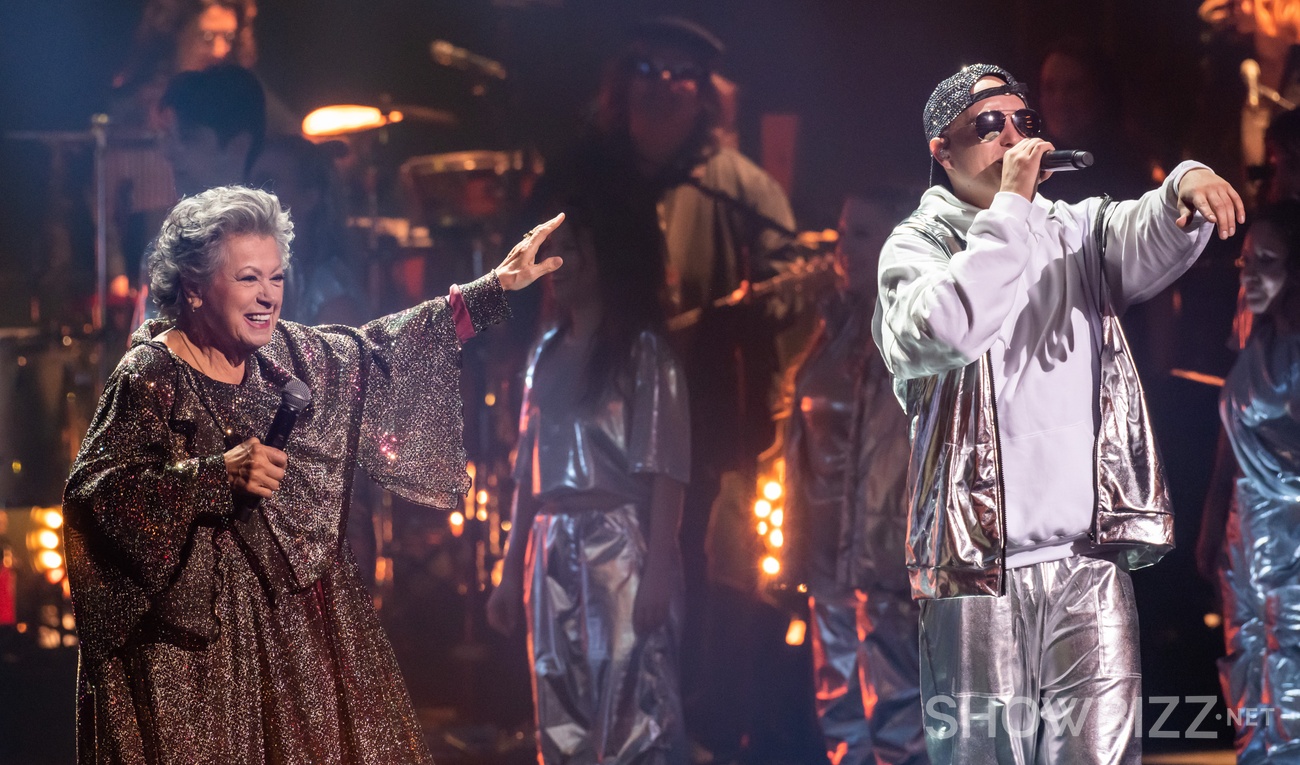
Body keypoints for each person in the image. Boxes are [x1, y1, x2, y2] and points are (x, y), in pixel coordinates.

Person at [62, 185, 563, 764]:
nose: (268, 297)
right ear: (195, 289)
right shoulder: (151, 374)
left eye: (276, 279)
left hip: (299, 635)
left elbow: (379, 350)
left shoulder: (288, 357)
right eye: (248, 278)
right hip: (197, 654)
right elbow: (94, 499)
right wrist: (211, 475)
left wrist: (492, 289)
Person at [873, 64, 1243, 764]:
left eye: (1026, 122)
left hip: (1086, 564)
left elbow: (1143, 229)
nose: (1015, 137)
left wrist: (1184, 183)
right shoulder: (914, 251)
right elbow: (950, 327)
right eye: (990, 125)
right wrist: (1008, 206)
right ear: (941, 150)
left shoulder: (1072, 230)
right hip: (980, 577)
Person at [486, 190, 690, 764]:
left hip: (619, 549)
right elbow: (528, 475)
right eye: (558, 250)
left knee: (634, 720)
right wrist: (509, 572)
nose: (563, 262)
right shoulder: (544, 353)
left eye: (574, 249)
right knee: (560, 718)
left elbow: (668, 467)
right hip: (551, 553)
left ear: (606, 260)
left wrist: (656, 571)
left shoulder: (643, 352)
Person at [781, 194, 925, 765]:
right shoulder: (833, 329)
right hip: (827, 561)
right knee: (842, 717)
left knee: (900, 719)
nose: (844, 249)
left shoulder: (911, 331)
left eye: (862, 234)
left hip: (883, 562)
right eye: (842, 234)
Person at [1197, 200, 1300, 764]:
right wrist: (1216, 521)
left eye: (1268, 259)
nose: (1251, 273)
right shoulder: (1254, 341)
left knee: (1290, 667)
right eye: (1244, 261)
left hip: (1292, 535)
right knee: (1247, 661)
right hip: (1247, 529)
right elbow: (1228, 442)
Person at [159, 64, 266, 199]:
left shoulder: (265, 219)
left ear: (238, 147)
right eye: (168, 135)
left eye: (188, 138)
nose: (167, 151)